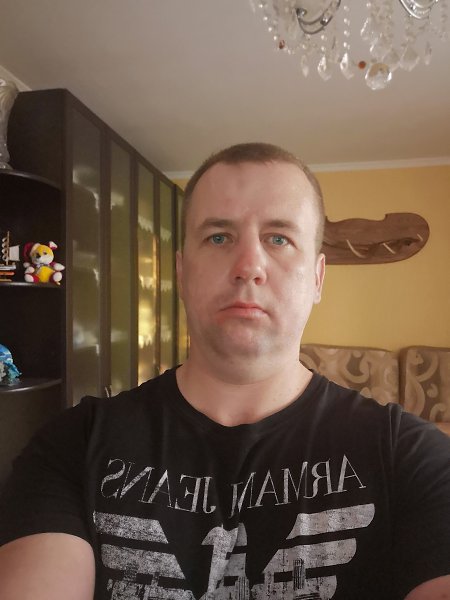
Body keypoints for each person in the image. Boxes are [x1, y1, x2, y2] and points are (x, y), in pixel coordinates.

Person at [0, 142, 449, 600]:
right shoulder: (72, 447)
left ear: (317, 278)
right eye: (218, 237)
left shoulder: (412, 459)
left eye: (279, 238)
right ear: (182, 272)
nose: (248, 266)